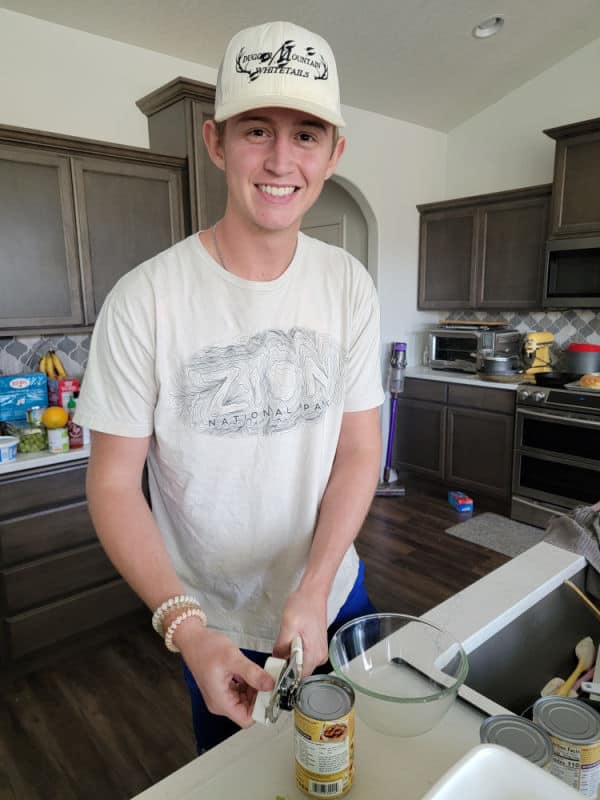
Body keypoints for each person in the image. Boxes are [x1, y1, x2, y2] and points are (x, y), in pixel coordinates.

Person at [75, 19, 384, 754]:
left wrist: (312, 590)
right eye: (257, 130)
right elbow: (113, 484)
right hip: (213, 626)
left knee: (360, 764)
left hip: (336, 595)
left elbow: (360, 448)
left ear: (334, 152)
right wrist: (186, 629)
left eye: (307, 133)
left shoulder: (347, 284)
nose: (282, 159)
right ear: (216, 142)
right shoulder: (143, 299)